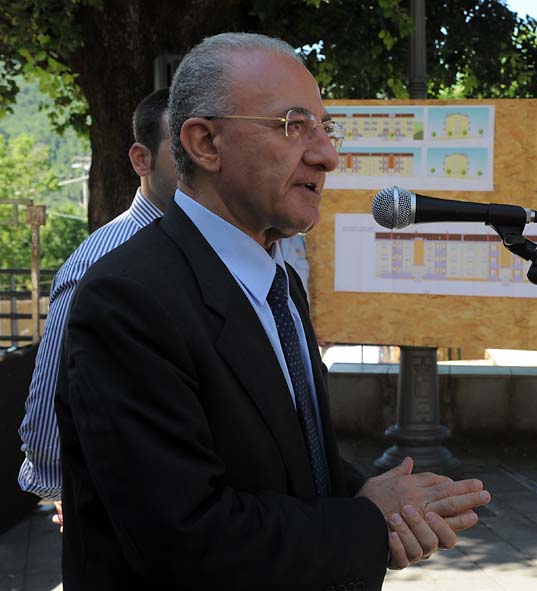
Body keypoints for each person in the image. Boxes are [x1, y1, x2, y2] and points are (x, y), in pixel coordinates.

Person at [55, 32, 489, 591]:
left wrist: (377, 500)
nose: (327, 155)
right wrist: (368, 523)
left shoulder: (279, 282)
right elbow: (184, 538)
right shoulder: (129, 298)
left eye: (326, 129)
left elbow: (292, 464)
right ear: (205, 143)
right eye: (293, 126)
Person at [18, 87, 177, 532]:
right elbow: (49, 413)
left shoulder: (214, 251)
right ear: (141, 160)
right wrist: (75, 491)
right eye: (182, 147)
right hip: (120, 523)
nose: (201, 160)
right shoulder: (99, 260)